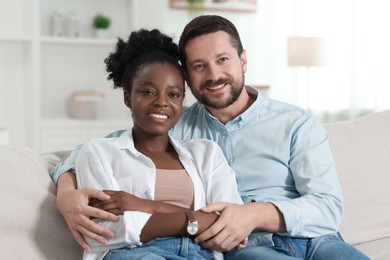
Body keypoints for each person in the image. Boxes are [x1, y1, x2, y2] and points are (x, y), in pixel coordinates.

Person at [52, 15, 369, 259]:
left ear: (243, 60)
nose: (214, 75)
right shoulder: (175, 125)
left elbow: (328, 207)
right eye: (200, 66)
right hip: (247, 249)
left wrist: (253, 213)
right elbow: (100, 148)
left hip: (317, 241)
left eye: (223, 60)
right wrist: (66, 194)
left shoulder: (295, 122)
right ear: (188, 78)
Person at [73, 28, 243, 260]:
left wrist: (147, 206)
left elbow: (232, 225)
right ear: (127, 96)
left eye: (173, 95)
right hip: (134, 254)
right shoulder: (99, 152)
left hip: (199, 254)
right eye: (148, 92)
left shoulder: (207, 153)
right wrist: (193, 220)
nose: (161, 102)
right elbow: (102, 232)